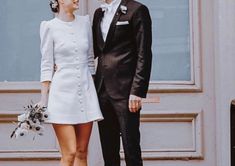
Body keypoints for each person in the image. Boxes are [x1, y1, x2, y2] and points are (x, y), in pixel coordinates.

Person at [37, 0, 103, 165]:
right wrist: (44, 99)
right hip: (61, 95)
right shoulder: (49, 26)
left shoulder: (85, 23)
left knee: (82, 152)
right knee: (70, 152)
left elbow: (89, 60)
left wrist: (93, 90)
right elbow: (46, 65)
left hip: (85, 92)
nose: (77, 0)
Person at [92, 0, 152, 165]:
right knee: (109, 151)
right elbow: (94, 51)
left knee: (131, 148)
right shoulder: (99, 13)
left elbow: (144, 53)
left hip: (126, 92)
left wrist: (137, 91)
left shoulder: (137, 10)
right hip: (102, 90)